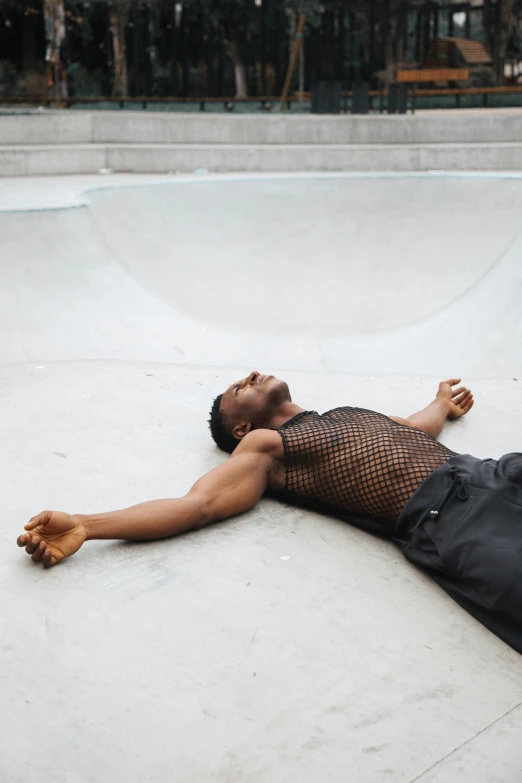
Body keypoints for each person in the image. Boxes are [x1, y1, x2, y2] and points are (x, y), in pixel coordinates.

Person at [17, 372, 522, 654]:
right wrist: (88, 523)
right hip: (448, 521)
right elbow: (199, 504)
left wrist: (439, 404)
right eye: (241, 387)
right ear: (240, 429)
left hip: (491, 473)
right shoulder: (266, 447)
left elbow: (415, 427)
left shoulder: (345, 413)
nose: (253, 374)